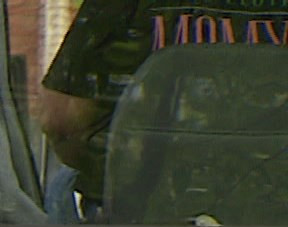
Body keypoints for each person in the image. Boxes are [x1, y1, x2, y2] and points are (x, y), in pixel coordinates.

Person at [37, 0, 283, 210]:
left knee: (61, 188)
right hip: (272, 217)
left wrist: (116, 183)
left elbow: (60, 119)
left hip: (150, 219)